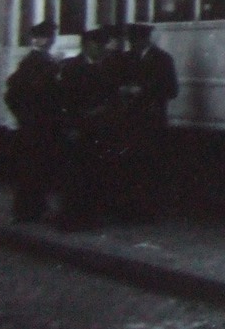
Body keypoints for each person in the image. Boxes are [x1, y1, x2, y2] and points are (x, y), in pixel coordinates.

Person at [55, 25, 119, 230]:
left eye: (102, 45)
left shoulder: (107, 67)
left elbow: (112, 96)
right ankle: (71, 218)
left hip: (100, 129)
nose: (101, 49)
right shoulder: (71, 68)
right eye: (97, 45)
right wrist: (71, 126)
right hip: (78, 128)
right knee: (75, 176)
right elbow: (64, 100)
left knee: (96, 173)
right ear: (86, 46)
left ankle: (91, 217)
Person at [120, 22, 179, 220]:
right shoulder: (126, 59)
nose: (132, 44)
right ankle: (132, 210)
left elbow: (172, 90)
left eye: (135, 40)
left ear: (145, 39)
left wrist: (144, 90)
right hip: (130, 120)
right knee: (132, 166)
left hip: (151, 119)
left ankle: (149, 210)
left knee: (150, 166)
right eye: (131, 41)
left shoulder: (162, 60)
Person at [3, 20, 60, 222]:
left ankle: (30, 208)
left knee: (33, 168)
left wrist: (23, 116)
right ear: (40, 39)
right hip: (38, 125)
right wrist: (29, 116)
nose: (50, 41)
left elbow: (11, 95)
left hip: (33, 124)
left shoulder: (35, 61)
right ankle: (29, 210)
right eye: (47, 37)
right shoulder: (38, 63)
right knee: (34, 168)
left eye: (51, 37)